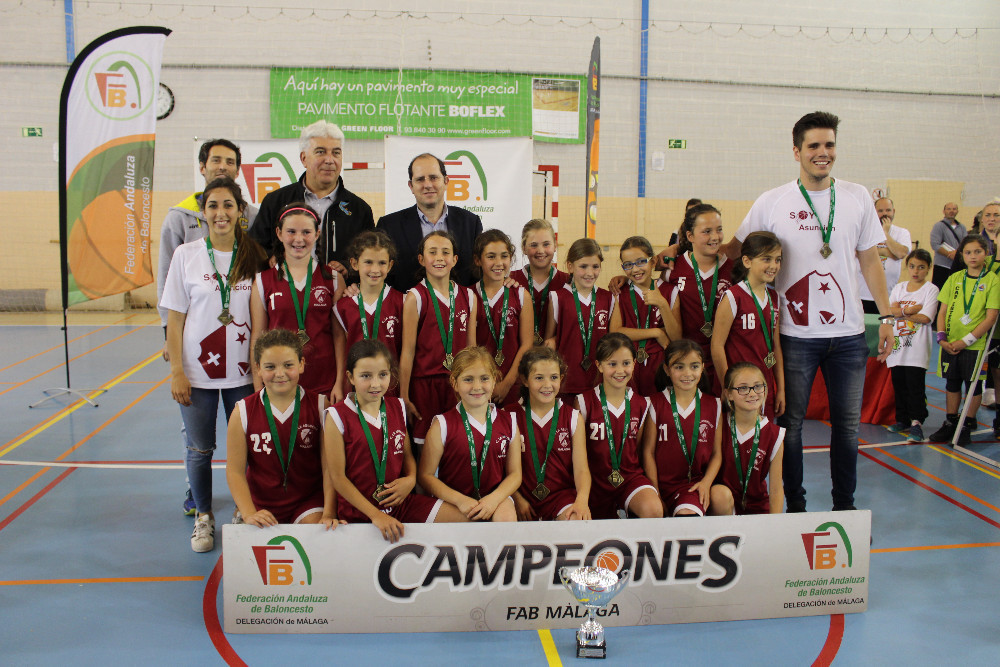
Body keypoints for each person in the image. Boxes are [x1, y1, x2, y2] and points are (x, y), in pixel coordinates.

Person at [722, 111, 894, 513]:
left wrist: (887, 318)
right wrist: (679, 254)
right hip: (795, 338)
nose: (823, 153)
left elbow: (870, 260)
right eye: (814, 146)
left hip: (849, 337)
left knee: (848, 429)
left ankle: (843, 509)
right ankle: (795, 509)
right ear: (796, 151)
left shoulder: (856, 198)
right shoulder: (773, 201)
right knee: (791, 427)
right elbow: (735, 250)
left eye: (829, 145)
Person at [160, 176, 268, 551]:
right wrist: (177, 371)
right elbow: (175, 318)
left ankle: (243, 508)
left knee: (249, 448)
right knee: (200, 449)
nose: (220, 213)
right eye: (213, 206)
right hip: (197, 373)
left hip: (241, 374)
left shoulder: (254, 255)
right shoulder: (186, 255)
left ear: (240, 212)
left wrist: (259, 374)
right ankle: (204, 517)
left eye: (228, 205)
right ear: (203, 212)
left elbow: (258, 319)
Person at [326, 340, 467, 543]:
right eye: (366, 376)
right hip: (360, 514)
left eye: (382, 375)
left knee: (466, 521)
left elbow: (407, 456)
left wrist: (410, 480)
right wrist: (376, 515)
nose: (375, 384)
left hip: (402, 505)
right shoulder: (336, 415)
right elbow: (338, 478)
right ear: (350, 377)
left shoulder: (398, 407)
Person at [225, 329, 335, 529]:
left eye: (288, 365)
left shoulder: (320, 406)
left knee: (317, 530)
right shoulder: (242, 412)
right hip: (262, 504)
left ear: (301, 364)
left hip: (307, 501)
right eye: (270, 367)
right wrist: (249, 512)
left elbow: (329, 467)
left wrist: (328, 512)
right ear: (257, 368)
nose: (280, 373)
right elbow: (234, 471)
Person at [250, 121, 374, 280]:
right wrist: (271, 258)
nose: (329, 160)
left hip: (338, 297)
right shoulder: (275, 201)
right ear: (303, 158)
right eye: (321, 152)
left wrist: (348, 267)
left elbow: (369, 255)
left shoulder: (359, 209)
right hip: (285, 294)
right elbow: (256, 248)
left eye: (336, 153)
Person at [249, 203, 345, 402]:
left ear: (317, 234)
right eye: (291, 231)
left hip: (324, 382)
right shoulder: (262, 281)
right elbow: (257, 337)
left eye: (306, 232)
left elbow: (339, 336)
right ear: (279, 233)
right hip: (279, 382)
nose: (299, 239)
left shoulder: (333, 278)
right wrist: (259, 386)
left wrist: (339, 382)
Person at [417, 347, 522, 521]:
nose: (477, 386)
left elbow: (515, 474)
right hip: (454, 500)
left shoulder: (509, 421)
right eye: (468, 379)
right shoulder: (441, 424)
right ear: (454, 382)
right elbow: (425, 476)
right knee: (466, 522)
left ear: (495, 380)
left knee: (506, 519)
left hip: (494, 498)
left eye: (484, 378)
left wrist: (494, 499)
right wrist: (460, 500)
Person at [399, 230, 478, 445]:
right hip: (424, 386)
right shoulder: (415, 297)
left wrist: (475, 384)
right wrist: (404, 395)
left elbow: (472, 350)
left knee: (458, 443)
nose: (440, 257)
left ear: (454, 259)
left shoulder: (469, 297)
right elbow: (407, 351)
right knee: (425, 447)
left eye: (445, 252)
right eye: (432, 252)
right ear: (421, 259)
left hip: (459, 385)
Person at [577, 333, 663, 520]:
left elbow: (639, 450)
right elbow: (577, 454)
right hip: (593, 482)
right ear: (599, 365)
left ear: (634, 363)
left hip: (629, 478)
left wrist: (655, 489)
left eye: (626, 363)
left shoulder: (642, 404)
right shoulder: (583, 402)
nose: (620, 370)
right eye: (612, 364)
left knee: (653, 509)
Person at [929, 235, 1000, 446]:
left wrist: (966, 341)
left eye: (977, 251)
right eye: (968, 252)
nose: (972, 256)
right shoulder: (955, 278)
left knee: (973, 384)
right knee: (952, 382)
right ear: (961, 255)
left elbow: (991, 316)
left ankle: (966, 424)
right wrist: (941, 337)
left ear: (986, 253)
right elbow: (942, 311)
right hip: (950, 342)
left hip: (974, 345)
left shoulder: (992, 280)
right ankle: (951, 422)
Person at [378, 153, 483, 292]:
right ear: (411, 186)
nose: (427, 185)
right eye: (420, 179)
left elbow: (480, 272)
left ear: (446, 181)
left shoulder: (470, 223)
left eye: (433, 178)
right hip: (406, 310)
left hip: (459, 311)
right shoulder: (388, 226)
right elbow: (379, 274)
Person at [509, 346, 591, 521]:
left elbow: (581, 469)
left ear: (561, 378)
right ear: (525, 379)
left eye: (553, 377)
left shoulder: (573, 417)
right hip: (520, 497)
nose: (547, 385)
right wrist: (517, 499)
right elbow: (501, 469)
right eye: (539, 378)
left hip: (560, 498)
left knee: (578, 521)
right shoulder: (508, 416)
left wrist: (582, 500)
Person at [645, 339, 726, 517]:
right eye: (679, 367)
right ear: (667, 369)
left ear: (703, 367)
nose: (687, 373)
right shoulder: (653, 403)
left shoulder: (715, 404)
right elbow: (648, 453)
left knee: (690, 513)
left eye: (694, 366)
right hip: (659, 485)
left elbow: (716, 454)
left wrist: (706, 482)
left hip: (692, 486)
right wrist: (654, 491)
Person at [712, 232, 785, 420]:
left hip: (763, 387)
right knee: (736, 444)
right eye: (766, 259)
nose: (773, 265)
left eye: (777, 259)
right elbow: (717, 346)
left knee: (760, 445)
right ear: (746, 261)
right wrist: (727, 387)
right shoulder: (733, 296)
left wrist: (780, 389)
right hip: (739, 388)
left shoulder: (774, 297)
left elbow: (775, 347)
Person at [669, 203, 734, 396]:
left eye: (719, 229)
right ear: (690, 236)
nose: (715, 237)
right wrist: (620, 279)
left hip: (722, 359)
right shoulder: (673, 269)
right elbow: (642, 280)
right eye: (707, 231)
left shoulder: (734, 271)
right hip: (686, 362)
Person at [545, 238, 616, 403]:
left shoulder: (608, 298)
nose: (590, 273)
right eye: (583, 266)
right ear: (570, 266)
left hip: (599, 382)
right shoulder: (557, 297)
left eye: (595, 266)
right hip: (566, 383)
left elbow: (613, 341)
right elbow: (549, 342)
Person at [610, 236, 680, 396]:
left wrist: (662, 304)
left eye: (641, 261)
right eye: (628, 265)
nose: (635, 269)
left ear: (653, 261)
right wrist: (657, 332)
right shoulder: (620, 292)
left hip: (660, 365)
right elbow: (615, 332)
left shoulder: (670, 291)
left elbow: (676, 336)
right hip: (627, 365)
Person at [334, 231, 406, 386]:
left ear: (390, 265)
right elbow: (342, 353)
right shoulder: (342, 307)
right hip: (356, 388)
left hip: (391, 386)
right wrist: (341, 385)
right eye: (368, 262)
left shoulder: (403, 302)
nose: (375, 269)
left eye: (381, 263)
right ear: (354, 263)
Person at [472, 229, 533, 406]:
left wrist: (506, 384)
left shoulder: (521, 295)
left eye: (504, 256)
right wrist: (483, 383)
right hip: (478, 385)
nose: (499, 263)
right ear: (478, 260)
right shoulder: (467, 295)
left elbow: (526, 344)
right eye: (491, 256)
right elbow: (469, 346)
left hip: (512, 384)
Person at [716, 362, 785, 515]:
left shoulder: (775, 434)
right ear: (729, 394)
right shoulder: (718, 424)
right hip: (722, 505)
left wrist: (776, 524)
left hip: (757, 507)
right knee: (719, 494)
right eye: (743, 388)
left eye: (758, 386)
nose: (752, 393)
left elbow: (775, 489)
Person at [885, 249, 939, 442]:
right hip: (898, 347)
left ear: (928, 269)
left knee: (914, 386)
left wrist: (901, 311)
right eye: (912, 266)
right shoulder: (899, 287)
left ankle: (917, 422)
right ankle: (903, 420)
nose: (916, 271)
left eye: (921, 267)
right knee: (898, 384)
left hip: (917, 348)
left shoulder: (931, 289)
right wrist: (910, 309)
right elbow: (890, 311)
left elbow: (926, 317)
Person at [511, 218, 569, 346]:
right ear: (524, 248)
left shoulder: (568, 281)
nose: (540, 251)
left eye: (546, 244)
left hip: (554, 359)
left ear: (555, 246)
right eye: (533, 245)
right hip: (519, 357)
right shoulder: (510, 280)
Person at [858, 197, 912, 314]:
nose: (885, 214)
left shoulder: (902, 232)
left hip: (888, 296)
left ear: (894, 211)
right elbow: (857, 253)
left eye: (888, 210)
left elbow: (901, 253)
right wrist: (888, 252)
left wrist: (885, 233)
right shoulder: (864, 231)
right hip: (862, 295)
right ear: (874, 211)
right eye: (880, 211)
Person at [929, 201, 966, 292]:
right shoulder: (938, 226)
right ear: (944, 211)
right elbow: (935, 244)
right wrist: (950, 254)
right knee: (939, 290)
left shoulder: (962, 227)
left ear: (957, 211)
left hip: (957, 265)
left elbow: (966, 244)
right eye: (949, 209)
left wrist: (957, 254)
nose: (951, 211)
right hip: (942, 265)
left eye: (954, 209)